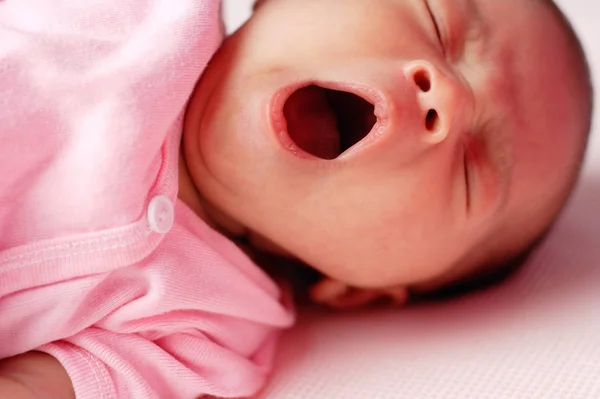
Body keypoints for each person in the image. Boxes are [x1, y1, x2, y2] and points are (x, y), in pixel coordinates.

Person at [0, 0, 593, 398]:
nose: (448, 100)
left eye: (470, 173)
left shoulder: (209, 332)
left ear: (359, 288)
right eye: (437, 22)